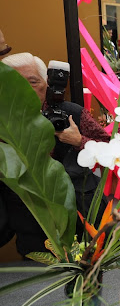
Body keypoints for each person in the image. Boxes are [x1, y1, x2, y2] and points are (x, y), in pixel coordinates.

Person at [1, 53, 110, 255]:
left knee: (86, 273)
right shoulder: (4, 121)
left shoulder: (72, 113)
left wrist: (79, 141)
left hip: (79, 213)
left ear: (47, 83)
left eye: (32, 82)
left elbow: (108, 149)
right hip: (30, 219)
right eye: (15, 83)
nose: (24, 90)